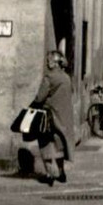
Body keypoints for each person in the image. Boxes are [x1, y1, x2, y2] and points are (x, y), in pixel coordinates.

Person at [31, 50, 75, 186]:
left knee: (46, 143)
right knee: (60, 145)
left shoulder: (49, 78)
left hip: (49, 116)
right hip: (64, 116)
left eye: (48, 60)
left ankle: (49, 174)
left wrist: (32, 105)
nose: (46, 63)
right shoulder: (66, 78)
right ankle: (61, 173)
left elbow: (40, 97)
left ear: (54, 62)